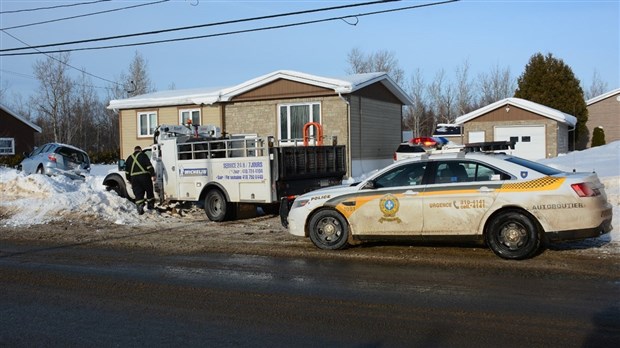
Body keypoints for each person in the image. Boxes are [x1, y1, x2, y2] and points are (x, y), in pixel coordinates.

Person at [125, 146, 155, 215]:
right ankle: (150, 206)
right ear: (140, 150)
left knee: (138, 193)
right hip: (144, 176)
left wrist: (129, 179)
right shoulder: (143, 155)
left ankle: (139, 206)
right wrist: (153, 174)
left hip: (134, 179)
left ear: (134, 150)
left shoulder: (129, 158)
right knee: (149, 190)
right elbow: (149, 166)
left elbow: (127, 171)